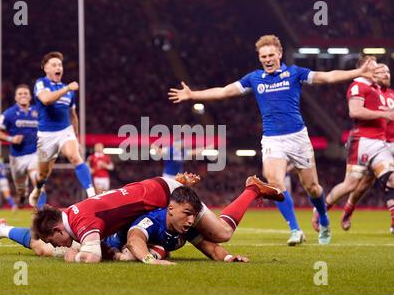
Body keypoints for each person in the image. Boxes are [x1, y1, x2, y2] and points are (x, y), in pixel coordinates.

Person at [168, 34, 381, 245]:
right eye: (263, 56)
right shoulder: (255, 78)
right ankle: (295, 230)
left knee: (312, 188)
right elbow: (224, 91)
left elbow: (326, 76)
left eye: (271, 55)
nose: (267, 59)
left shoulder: (295, 73)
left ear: (279, 53)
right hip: (272, 139)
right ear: (259, 58)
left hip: (298, 138)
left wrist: (359, 72)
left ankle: (323, 219)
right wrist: (193, 94)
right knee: (274, 183)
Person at [0, 173, 282, 260]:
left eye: (53, 235)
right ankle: (3, 230)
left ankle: (252, 190)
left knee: (222, 234)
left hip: (167, 193)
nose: (57, 240)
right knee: (44, 248)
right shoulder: (70, 215)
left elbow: (91, 256)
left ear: (59, 225)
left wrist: (67, 254)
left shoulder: (82, 221)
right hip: (157, 188)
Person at [311, 58, 394, 235]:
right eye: (373, 66)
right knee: (350, 185)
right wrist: (384, 114)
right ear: (362, 68)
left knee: (391, 179)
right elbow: (355, 111)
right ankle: (320, 208)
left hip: (380, 144)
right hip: (362, 142)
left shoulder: (377, 88)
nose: (377, 69)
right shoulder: (358, 85)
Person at [82, 186, 248, 265]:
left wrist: (229, 257)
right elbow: (134, 239)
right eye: (187, 213)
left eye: (194, 216)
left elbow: (210, 248)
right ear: (171, 209)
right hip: (108, 242)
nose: (191, 220)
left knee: (160, 250)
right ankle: (112, 255)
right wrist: (149, 260)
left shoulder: (184, 226)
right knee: (135, 255)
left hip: (151, 246)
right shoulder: (153, 220)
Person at [29, 51, 95, 207]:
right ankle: (38, 188)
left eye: (60, 64)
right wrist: (66, 89)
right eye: (54, 64)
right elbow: (45, 99)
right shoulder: (41, 83)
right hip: (46, 135)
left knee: (75, 157)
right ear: (45, 68)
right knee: (43, 174)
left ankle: (92, 194)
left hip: (65, 131)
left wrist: (77, 138)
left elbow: (73, 115)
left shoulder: (68, 90)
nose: (58, 67)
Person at [0, 84, 40, 208]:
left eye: (25, 93)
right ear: (15, 97)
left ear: (30, 97)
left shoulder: (38, 112)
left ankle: (41, 213)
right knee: (21, 187)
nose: (23, 95)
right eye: (20, 94)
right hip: (17, 157)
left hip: (34, 153)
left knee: (38, 181)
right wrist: (11, 138)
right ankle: (23, 195)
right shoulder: (8, 114)